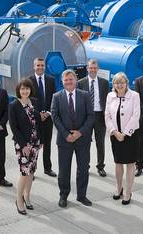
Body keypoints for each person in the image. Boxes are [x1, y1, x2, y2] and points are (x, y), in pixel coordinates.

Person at [51, 69, 94, 208]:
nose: (69, 82)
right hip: (65, 140)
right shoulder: (56, 97)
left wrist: (80, 133)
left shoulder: (85, 95)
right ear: (62, 82)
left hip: (83, 140)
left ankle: (82, 196)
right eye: (66, 80)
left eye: (71, 79)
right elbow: (55, 117)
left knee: (83, 169)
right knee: (64, 170)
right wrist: (66, 134)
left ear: (76, 80)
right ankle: (63, 195)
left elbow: (91, 116)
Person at [9, 78, 43, 215]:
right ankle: (18, 200)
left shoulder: (34, 102)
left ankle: (27, 196)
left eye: (27, 88)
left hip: (35, 143)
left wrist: (41, 140)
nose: (25, 91)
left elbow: (38, 123)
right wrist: (23, 145)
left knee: (31, 172)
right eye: (22, 89)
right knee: (24, 173)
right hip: (22, 144)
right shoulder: (13, 105)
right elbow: (14, 127)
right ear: (19, 90)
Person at [105, 72, 140, 205]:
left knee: (130, 163)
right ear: (113, 84)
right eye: (116, 82)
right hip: (115, 135)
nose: (119, 85)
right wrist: (114, 131)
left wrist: (124, 133)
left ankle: (128, 192)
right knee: (118, 162)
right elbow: (107, 115)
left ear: (127, 83)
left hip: (130, 135)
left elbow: (136, 115)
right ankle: (118, 188)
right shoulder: (110, 96)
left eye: (122, 82)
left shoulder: (135, 96)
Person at [77, 59, 109, 177]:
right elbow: (79, 102)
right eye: (91, 68)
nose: (93, 70)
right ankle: (86, 165)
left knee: (100, 143)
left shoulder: (104, 83)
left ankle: (101, 166)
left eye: (95, 68)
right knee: (85, 143)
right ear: (87, 68)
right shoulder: (81, 83)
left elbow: (108, 100)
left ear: (98, 69)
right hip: (86, 117)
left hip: (100, 116)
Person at [29, 58, 57, 177]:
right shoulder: (29, 81)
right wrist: (38, 113)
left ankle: (48, 168)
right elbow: (28, 100)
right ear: (34, 66)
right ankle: (32, 169)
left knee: (47, 144)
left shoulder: (51, 80)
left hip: (48, 118)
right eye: (38, 65)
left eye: (42, 65)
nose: (40, 67)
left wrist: (48, 113)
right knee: (35, 145)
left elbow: (54, 98)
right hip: (35, 118)